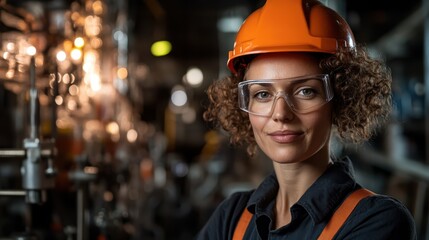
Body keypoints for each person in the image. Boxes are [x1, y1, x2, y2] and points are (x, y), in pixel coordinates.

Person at [196, 0, 417, 239]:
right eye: (262, 94)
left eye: (305, 91)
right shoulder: (232, 217)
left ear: (342, 98)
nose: (280, 113)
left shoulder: (377, 221)